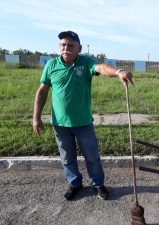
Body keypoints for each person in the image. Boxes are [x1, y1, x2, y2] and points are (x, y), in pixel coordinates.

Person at [33, 31, 133, 201]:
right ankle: (75, 184)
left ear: (79, 48)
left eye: (71, 45)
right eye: (63, 44)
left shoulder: (85, 63)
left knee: (92, 156)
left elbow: (100, 67)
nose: (66, 48)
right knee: (67, 157)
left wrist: (118, 71)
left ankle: (98, 185)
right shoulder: (51, 65)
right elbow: (42, 91)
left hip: (83, 123)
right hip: (60, 123)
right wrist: (36, 118)